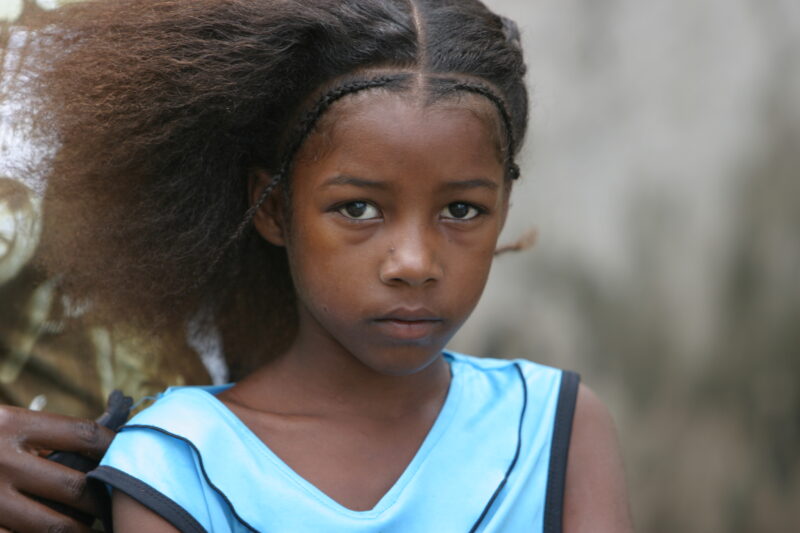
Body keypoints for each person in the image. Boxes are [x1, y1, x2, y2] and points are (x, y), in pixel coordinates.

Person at [7, 0, 633, 531]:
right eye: (357, 207)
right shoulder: (179, 459)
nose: (414, 263)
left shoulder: (557, 426)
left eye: (462, 209)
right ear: (272, 209)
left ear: (505, 205)